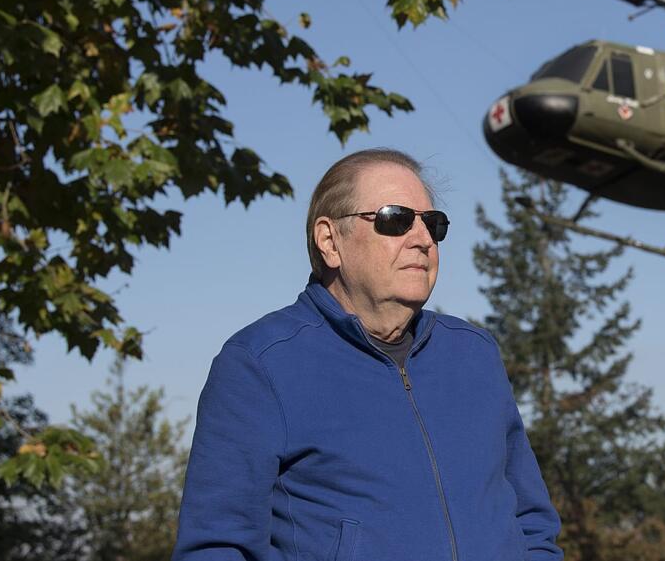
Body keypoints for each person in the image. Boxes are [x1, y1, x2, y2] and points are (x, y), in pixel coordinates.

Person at [172, 148, 562, 560]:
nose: (422, 239)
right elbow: (216, 545)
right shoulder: (260, 363)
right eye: (396, 219)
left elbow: (532, 522)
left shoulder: (474, 355)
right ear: (330, 241)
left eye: (433, 223)